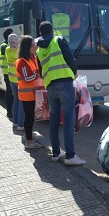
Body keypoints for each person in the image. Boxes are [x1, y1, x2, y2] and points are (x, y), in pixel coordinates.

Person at [36, 21, 86, 165]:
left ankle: (56, 153)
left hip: (50, 86)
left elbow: (41, 71)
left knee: (54, 120)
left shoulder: (39, 50)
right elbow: (69, 58)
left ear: (41, 34)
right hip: (64, 83)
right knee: (69, 120)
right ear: (52, 30)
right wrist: (75, 73)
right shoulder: (58, 40)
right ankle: (70, 156)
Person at [16, 35, 43, 149]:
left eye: (34, 45)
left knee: (31, 117)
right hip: (26, 95)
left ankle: (29, 135)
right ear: (26, 47)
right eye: (32, 45)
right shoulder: (21, 61)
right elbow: (27, 77)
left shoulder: (33, 57)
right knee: (29, 117)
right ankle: (29, 141)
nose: (34, 47)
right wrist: (37, 73)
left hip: (32, 93)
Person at [6, 33, 25, 131]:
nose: (14, 44)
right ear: (9, 43)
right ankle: (21, 124)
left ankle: (15, 122)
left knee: (16, 100)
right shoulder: (17, 51)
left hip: (12, 79)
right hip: (18, 80)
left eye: (15, 42)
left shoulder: (7, 50)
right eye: (12, 42)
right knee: (21, 101)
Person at [0, 28, 14, 118]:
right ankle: (9, 111)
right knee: (9, 92)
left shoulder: (5, 45)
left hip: (11, 72)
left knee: (11, 92)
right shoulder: (4, 46)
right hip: (7, 73)